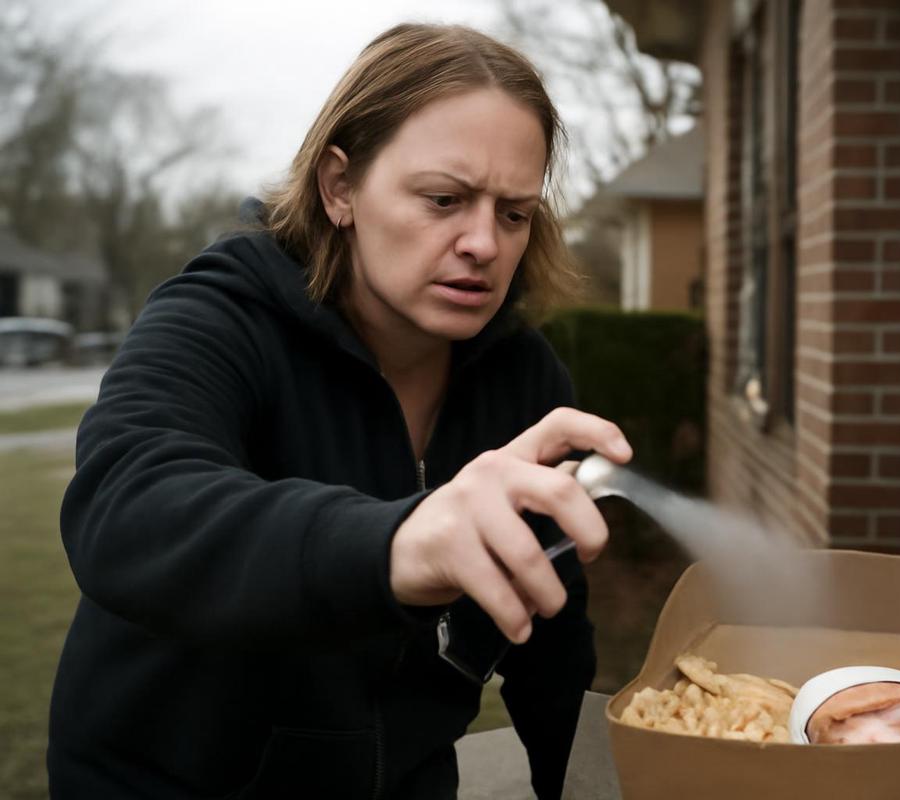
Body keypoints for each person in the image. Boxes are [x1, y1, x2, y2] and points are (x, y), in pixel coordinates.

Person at [47, 23, 631, 799]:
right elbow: (125, 508)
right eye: (444, 199)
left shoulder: (523, 378)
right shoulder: (223, 316)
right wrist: (393, 544)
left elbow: (553, 634)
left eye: (515, 213)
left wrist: (582, 781)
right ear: (339, 187)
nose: (484, 243)